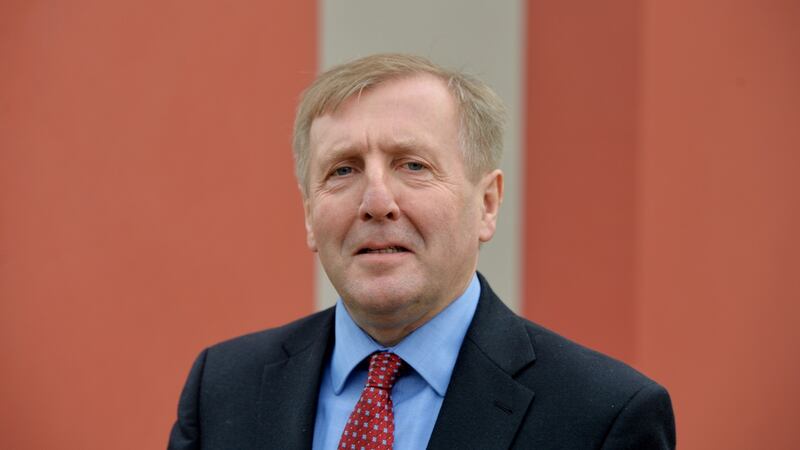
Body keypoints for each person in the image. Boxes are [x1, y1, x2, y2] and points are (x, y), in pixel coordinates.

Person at [168, 54, 676, 450]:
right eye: (342, 170)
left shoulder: (603, 415)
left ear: (487, 204)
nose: (376, 202)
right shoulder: (224, 389)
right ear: (308, 215)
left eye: (412, 165)